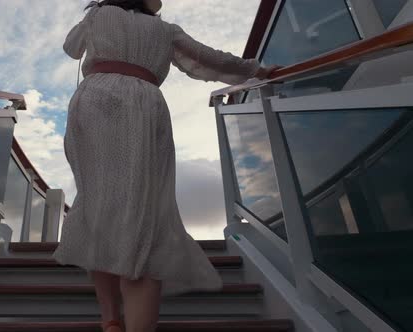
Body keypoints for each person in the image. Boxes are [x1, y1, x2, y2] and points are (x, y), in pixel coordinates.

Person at [51, 1, 279, 331]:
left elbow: (71, 49)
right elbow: (208, 58)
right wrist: (257, 70)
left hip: (94, 101)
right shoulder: (164, 30)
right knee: (142, 213)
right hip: (143, 105)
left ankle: (110, 320)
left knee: (97, 207)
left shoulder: (99, 15)